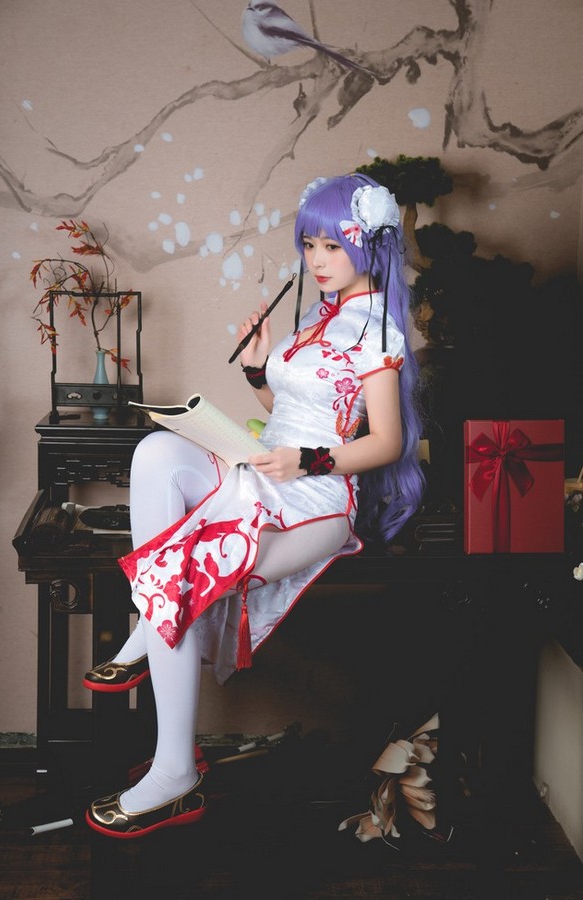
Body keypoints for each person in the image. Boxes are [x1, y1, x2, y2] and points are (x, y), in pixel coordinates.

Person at [83, 172, 424, 838]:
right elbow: (289, 409)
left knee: (183, 572)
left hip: (318, 496)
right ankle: (156, 634)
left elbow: (384, 441)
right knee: (155, 453)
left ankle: (173, 766)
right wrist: (257, 367)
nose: (316, 259)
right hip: (266, 468)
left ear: (369, 245)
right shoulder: (318, 318)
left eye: (332, 245)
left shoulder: (378, 327)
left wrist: (309, 461)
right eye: (310, 245)